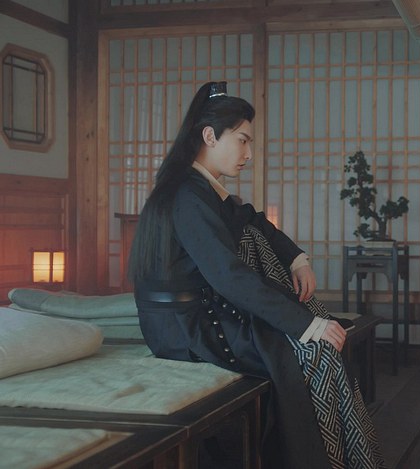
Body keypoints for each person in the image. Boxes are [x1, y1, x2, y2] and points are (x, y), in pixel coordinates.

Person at [128, 81, 384, 469]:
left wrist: (297, 259)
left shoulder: (202, 188)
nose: (248, 153)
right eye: (243, 140)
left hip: (204, 316)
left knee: (318, 345)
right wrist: (305, 325)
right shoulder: (186, 195)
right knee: (312, 353)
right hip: (186, 330)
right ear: (210, 136)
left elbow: (252, 219)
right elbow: (228, 276)